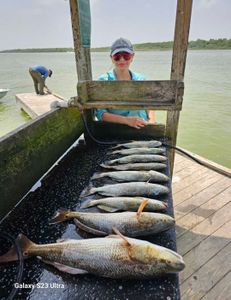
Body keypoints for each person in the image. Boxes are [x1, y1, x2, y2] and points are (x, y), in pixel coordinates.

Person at [95, 37, 155, 129]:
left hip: (144, 127)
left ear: (132, 57)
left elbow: (150, 106)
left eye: (126, 56)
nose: (122, 60)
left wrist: (152, 124)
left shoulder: (141, 79)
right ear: (111, 58)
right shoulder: (104, 81)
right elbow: (101, 114)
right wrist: (127, 121)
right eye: (117, 56)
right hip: (118, 130)